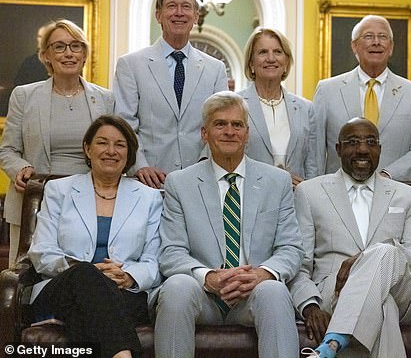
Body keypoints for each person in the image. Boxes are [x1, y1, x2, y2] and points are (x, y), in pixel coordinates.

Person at [155, 91, 304, 358]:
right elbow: (171, 252)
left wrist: (262, 274)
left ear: (247, 134)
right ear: (204, 133)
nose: (229, 131)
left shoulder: (277, 181)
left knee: (275, 290)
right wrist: (209, 278)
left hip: (254, 292)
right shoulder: (180, 183)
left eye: (237, 125)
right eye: (220, 124)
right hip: (203, 294)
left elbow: (290, 248)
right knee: (177, 287)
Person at [292, 117, 411, 358]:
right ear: (338, 149)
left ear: (379, 149)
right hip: (333, 290)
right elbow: (299, 264)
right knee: (383, 305)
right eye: (352, 142)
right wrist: (310, 306)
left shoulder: (407, 196)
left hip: (402, 294)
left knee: (386, 251)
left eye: (370, 142)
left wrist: (369, 258)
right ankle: (334, 344)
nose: (362, 149)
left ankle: (333, 343)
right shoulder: (310, 192)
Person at [28, 115, 163, 358]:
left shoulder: (149, 198)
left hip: (123, 292)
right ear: (87, 149)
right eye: (102, 143)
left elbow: (153, 260)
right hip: (63, 287)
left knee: (90, 312)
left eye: (120, 145)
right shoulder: (60, 190)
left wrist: (129, 277)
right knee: (85, 276)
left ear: (129, 154)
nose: (111, 151)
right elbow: (42, 252)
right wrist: (90, 271)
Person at [0, 19, 113, 268]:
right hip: (35, 201)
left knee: (83, 276)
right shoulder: (24, 95)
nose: (69, 53)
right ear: (46, 56)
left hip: (90, 204)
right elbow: (7, 149)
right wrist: (20, 169)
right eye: (59, 47)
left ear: (84, 55)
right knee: (27, 283)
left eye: (75, 46)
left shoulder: (106, 99)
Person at [114, 0, 228, 189]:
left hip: (202, 179)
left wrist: (206, 163)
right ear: (158, 15)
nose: (179, 13)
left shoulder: (215, 69)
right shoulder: (131, 65)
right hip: (147, 181)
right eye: (171, 6)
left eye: (186, 7)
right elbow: (124, 123)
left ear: (196, 16)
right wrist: (138, 166)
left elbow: (220, 124)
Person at [313, 15, 411, 181]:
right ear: (354, 46)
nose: (376, 42)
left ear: (390, 47)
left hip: (393, 192)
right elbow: (316, 149)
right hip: (337, 193)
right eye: (368, 36)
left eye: (383, 37)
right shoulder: (327, 90)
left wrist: (388, 175)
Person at [238, 27, 318, 187]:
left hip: (295, 202)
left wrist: (309, 189)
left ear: (286, 62)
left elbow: (312, 164)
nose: (271, 58)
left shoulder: (306, 108)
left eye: (278, 52)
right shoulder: (236, 106)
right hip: (251, 198)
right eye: (262, 52)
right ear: (251, 62)